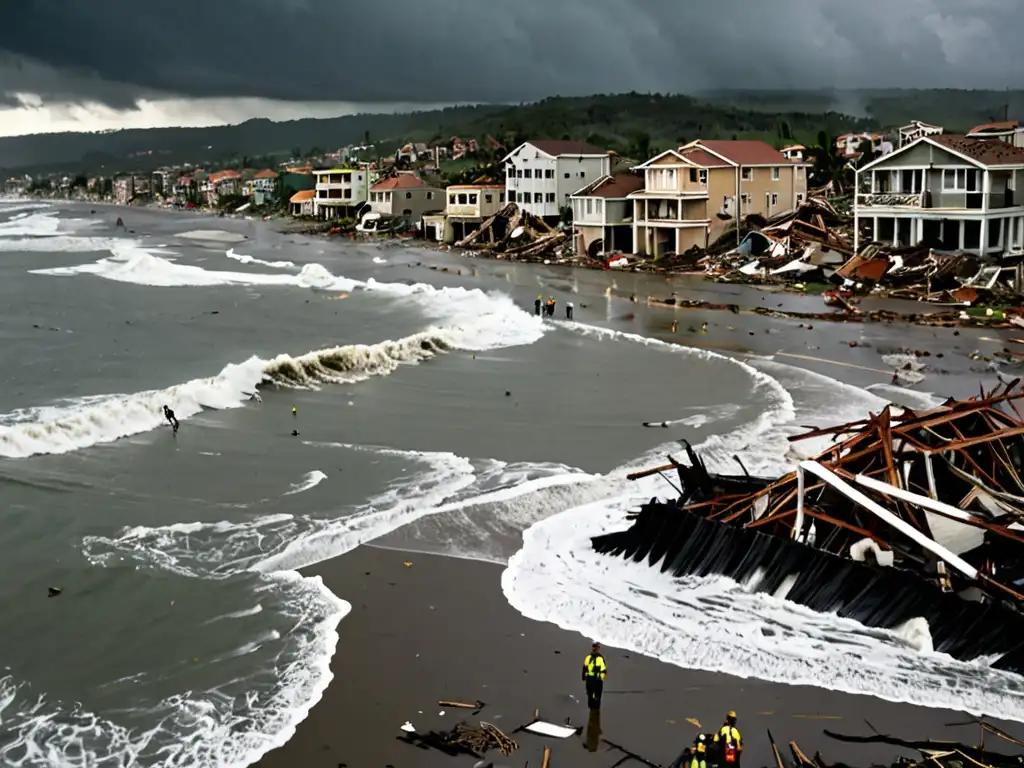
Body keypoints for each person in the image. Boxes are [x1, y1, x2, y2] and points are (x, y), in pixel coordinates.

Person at [581, 642, 607, 710]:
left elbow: (603, 669)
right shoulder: (588, 658)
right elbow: (584, 667)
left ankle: (596, 709)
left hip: (597, 679)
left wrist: (602, 677)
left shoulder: (601, 658)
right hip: (590, 679)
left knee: (597, 695)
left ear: (598, 648)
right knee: (590, 694)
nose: (595, 648)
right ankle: (591, 708)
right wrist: (584, 676)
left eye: (596, 647)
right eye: (594, 647)